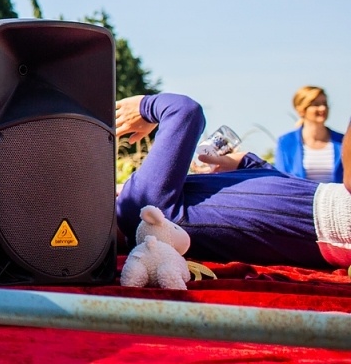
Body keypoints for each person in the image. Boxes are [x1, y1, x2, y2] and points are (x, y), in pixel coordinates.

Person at [115, 92, 350, 269]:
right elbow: (184, 111)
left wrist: (243, 162)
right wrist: (144, 108)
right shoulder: (139, 207)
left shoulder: (150, 212)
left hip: (328, 217)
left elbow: (277, 201)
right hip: (336, 218)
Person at [274, 86, 344, 184]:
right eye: (316, 104)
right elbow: (280, 179)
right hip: (300, 194)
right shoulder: (286, 142)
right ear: (301, 110)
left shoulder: (343, 141)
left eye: (325, 104)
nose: (323, 108)